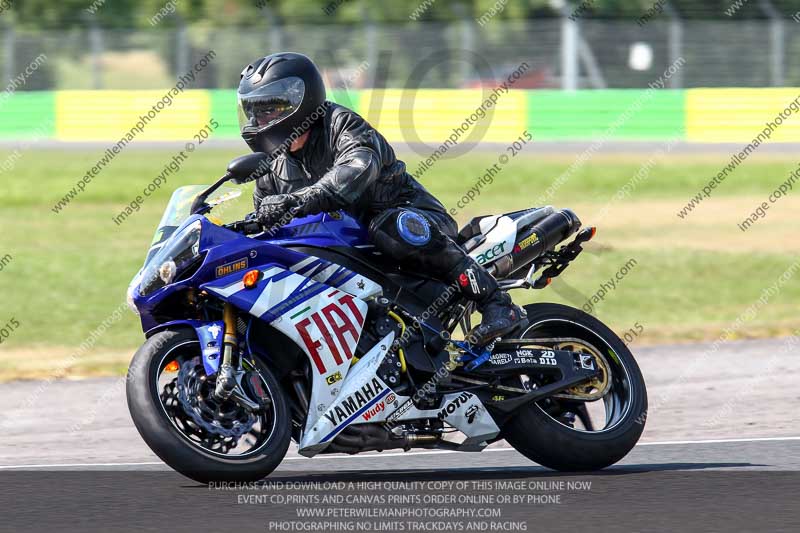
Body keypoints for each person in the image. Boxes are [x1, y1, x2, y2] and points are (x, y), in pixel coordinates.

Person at [238, 52, 524, 346]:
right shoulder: (273, 165)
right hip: (352, 245)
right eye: (253, 111)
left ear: (300, 102)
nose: (258, 120)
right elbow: (268, 222)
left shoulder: (340, 124)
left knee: (390, 226)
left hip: (414, 221)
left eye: (268, 109)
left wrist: (296, 201)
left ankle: (497, 303)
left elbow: (357, 169)